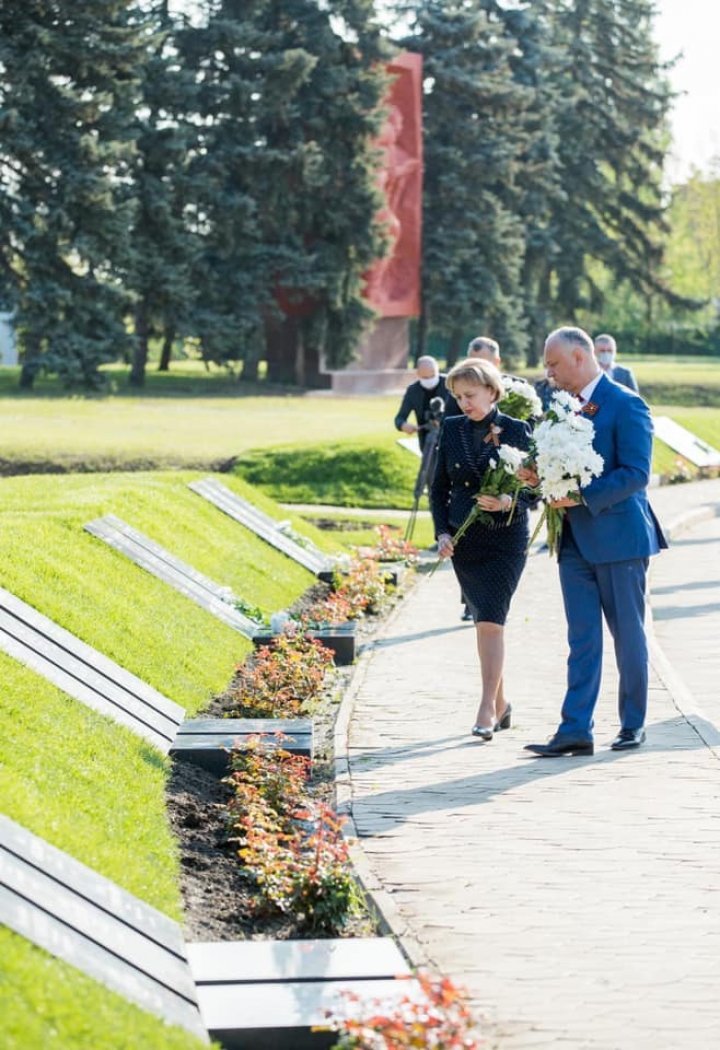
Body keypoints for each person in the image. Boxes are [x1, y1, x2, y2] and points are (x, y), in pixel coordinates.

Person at [522, 326, 666, 757]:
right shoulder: (559, 408)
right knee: (581, 638)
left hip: (620, 539)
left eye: (553, 364)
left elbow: (637, 473)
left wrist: (583, 494)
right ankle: (575, 729)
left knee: (628, 636)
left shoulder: (627, 403)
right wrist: (535, 477)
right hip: (572, 542)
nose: (548, 373)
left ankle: (632, 724)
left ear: (580, 358)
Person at [431, 359, 535, 740]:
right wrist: (442, 533)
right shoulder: (452, 428)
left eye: (470, 395)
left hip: (506, 540)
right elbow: (438, 487)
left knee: (491, 620)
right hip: (465, 540)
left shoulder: (518, 430)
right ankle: (503, 703)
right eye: (458, 396)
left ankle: (486, 708)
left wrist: (509, 502)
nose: (464, 403)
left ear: (492, 391)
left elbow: (533, 488)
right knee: (484, 622)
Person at [394, 356, 460, 452]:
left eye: (433, 375)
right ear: (417, 374)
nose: (429, 380)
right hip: (426, 442)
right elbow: (399, 419)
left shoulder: (450, 384)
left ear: (438, 371)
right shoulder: (413, 391)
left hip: (452, 439)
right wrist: (403, 425)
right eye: (425, 377)